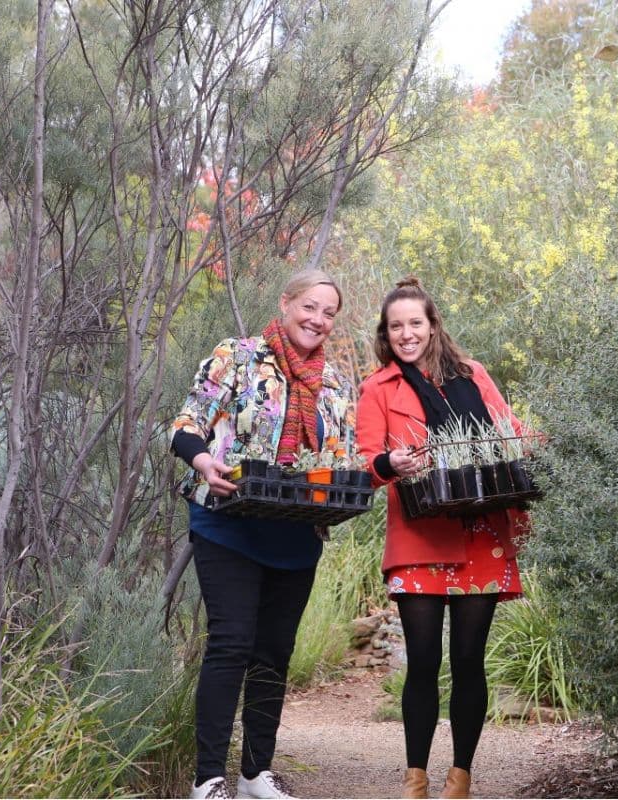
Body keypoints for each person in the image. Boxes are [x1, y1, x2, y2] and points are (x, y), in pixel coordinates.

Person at [170, 269, 356, 800]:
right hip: (228, 524)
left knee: (274, 653)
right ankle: (207, 780)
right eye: (310, 307)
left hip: (294, 538)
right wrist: (205, 462)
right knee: (231, 644)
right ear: (285, 302)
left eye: (328, 314)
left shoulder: (336, 384)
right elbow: (186, 423)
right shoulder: (238, 356)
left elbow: (339, 459)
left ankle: (255, 775)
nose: (318, 320)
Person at [356, 277, 531, 800]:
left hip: (481, 536)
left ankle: (460, 776)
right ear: (386, 336)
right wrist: (392, 462)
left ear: (432, 325)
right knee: (425, 659)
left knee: (469, 661)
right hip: (420, 537)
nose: (407, 334)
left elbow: (510, 431)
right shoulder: (377, 389)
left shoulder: (473, 375)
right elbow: (364, 464)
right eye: (396, 326)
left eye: (416, 323)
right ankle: (415, 778)